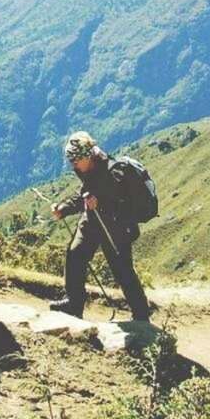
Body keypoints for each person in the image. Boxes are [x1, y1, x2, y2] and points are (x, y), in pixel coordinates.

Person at [48, 132, 150, 321]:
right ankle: (74, 304)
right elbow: (84, 194)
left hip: (115, 226)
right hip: (93, 221)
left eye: (75, 160)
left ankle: (141, 314)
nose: (73, 165)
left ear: (86, 156)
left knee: (121, 269)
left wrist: (100, 203)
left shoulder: (113, 172)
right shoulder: (86, 168)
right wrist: (63, 209)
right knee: (76, 253)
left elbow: (122, 203)